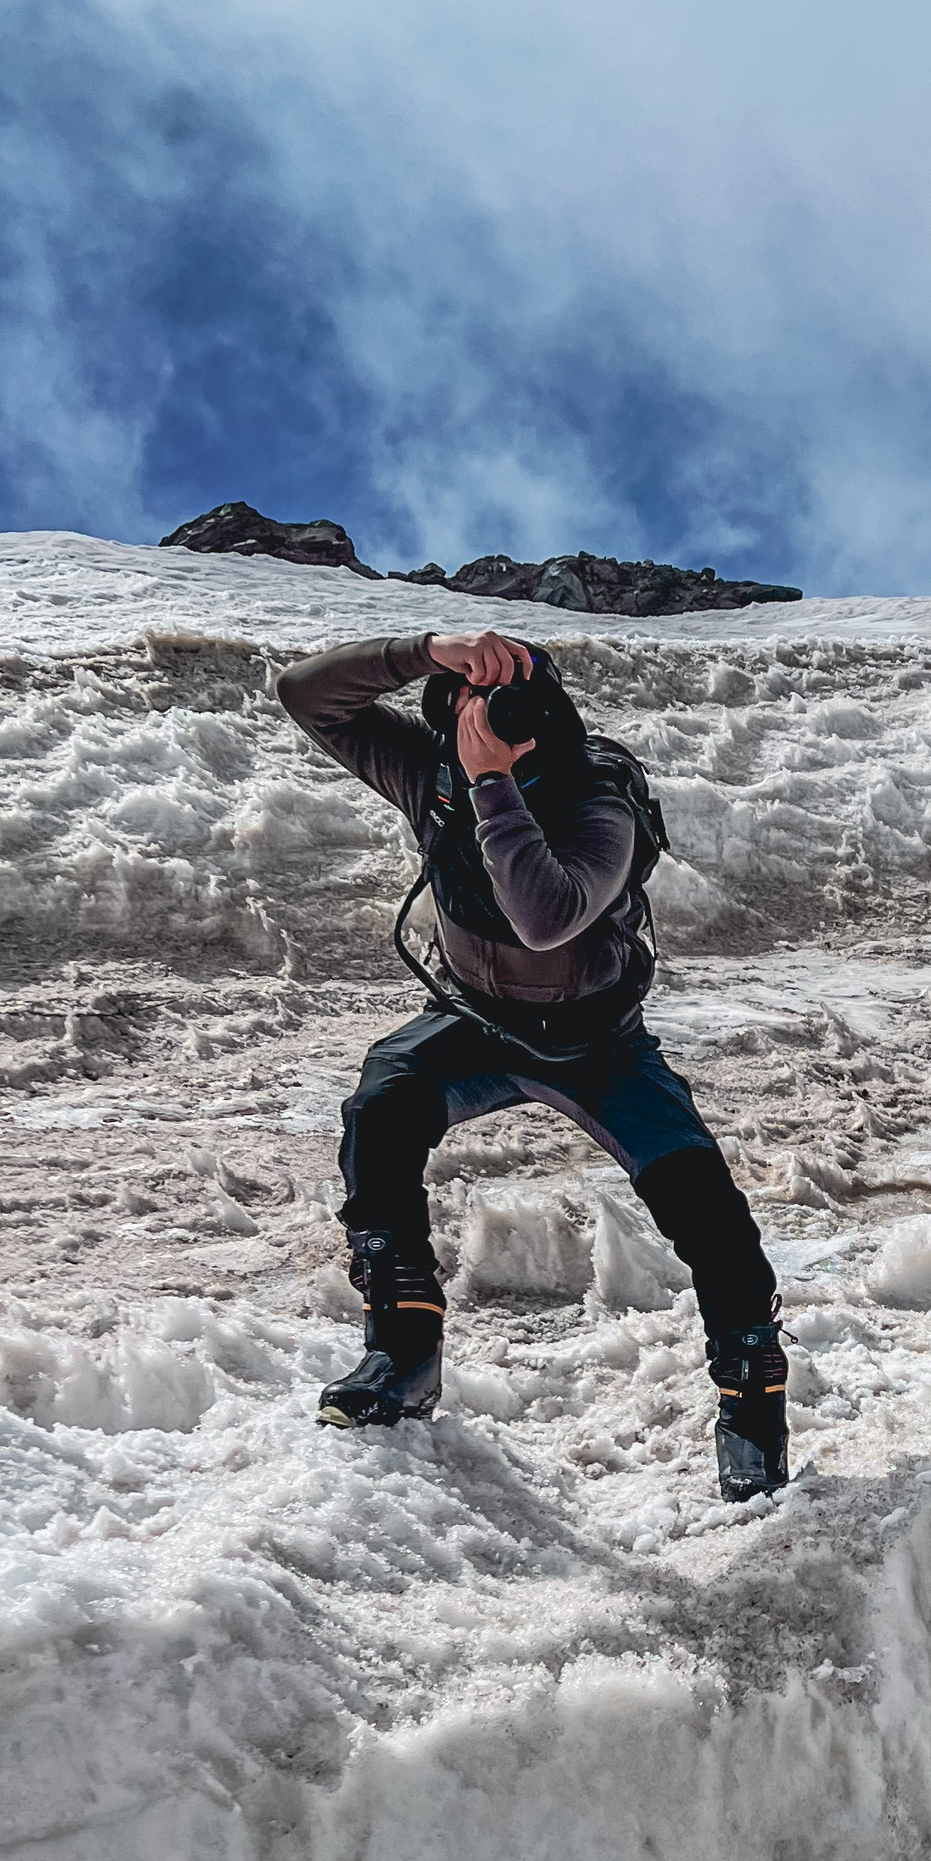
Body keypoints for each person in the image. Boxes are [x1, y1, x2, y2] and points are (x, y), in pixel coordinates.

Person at [275, 628, 787, 1497]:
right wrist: (428, 651)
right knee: (383, 1101)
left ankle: (751, 1409)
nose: (486, 720)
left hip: (600, 1046)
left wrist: (492, 784)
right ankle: (402, 1352)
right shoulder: (431, 775)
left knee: (711, 1219)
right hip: (474, 1025)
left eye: (505, 708)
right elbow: (305, 691)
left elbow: (546, 916)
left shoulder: (600, 800)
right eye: (468, 706)